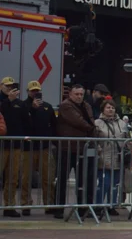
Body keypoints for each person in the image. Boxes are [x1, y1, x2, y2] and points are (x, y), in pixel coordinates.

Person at [55, 84, 97, 218]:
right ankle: (58, 209)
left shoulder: (86, 106)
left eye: (81, 94)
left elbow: (90, 120)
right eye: (76, 94)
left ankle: (83, 208)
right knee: (62, 179)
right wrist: (91, 128)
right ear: (70, 94)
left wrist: (92, 129)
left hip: (83, 148)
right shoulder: (65, 105)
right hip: (67, 148)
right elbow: (78, 122)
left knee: (84, 180)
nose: (79, 97)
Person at [93, 98, 129, 215]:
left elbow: (127, 139)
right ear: (103, 109)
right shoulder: (97, 123)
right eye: (108, 107)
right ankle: (98, 206)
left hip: (118, 158)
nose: (111, 109)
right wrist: (98, 150)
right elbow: (93, 140)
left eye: (112, 107)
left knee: (115, 185)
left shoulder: (122, 123)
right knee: (105, 183)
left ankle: (111, 206)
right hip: (103, 158)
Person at [1, 77, 31, 217]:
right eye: (6, 86)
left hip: (16, 145)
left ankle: (9, 206)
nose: (9, 88)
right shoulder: (2, 102)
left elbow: (26, 121)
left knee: (12, 177)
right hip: (1, 145)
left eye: (11, 86)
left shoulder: (21, 104)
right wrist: (9, 101)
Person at [26, 81, 57, 212]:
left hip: (45, 147)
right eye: (32, 91)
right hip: (28, 148)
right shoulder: (23, 106)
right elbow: (23, 122)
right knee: (25, 179)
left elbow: (54, 125)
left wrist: (54, 142)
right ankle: (25, 205)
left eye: (37, 91)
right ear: (28, 92)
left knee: (48, 178)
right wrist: (32, 109)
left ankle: (49, 204)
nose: (35, 93)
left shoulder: (48, 107)